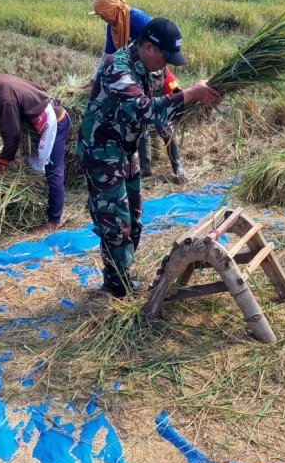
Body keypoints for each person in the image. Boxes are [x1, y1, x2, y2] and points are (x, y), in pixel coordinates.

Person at [77, 17, 222, 297]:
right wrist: (191, 94)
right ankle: (117, 286)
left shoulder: (156, 71)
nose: (166, 65)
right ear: (148, 48)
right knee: (114, 222)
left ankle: (124, 274)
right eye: (165, 58)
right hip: (101, 152)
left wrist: (201, 97)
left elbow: (170, 102)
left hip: (126, 149)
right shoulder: (116, 67)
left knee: (133, 218)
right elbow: (144, 109)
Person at [0, 71, 70, 234]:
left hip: (54, 123)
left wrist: (3, 161)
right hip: (37, 119)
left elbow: (12, 135)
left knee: (53, 170)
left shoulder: (5, 99)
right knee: (36, 162)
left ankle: (54, 221)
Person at [90, 0, 188, 181]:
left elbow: (159, 48)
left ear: (109, 9)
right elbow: (107, 56)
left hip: (153, 73)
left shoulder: (136, 18)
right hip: (133, 75)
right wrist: (93, 80)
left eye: (101, 14)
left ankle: (177, 165)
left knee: (160, 120)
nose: (102, 18)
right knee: (138, 120)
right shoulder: (112, 26)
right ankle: (145, 168)